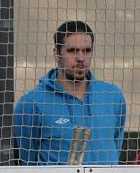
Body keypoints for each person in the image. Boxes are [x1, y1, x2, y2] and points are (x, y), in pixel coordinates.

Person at [13, 20, 126, 165]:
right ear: (57, 54)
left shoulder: (112, 96)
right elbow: (27, 162)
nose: (81, 58)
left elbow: (116, 145)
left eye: (87, 50)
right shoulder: (32, 103)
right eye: (72, 50)